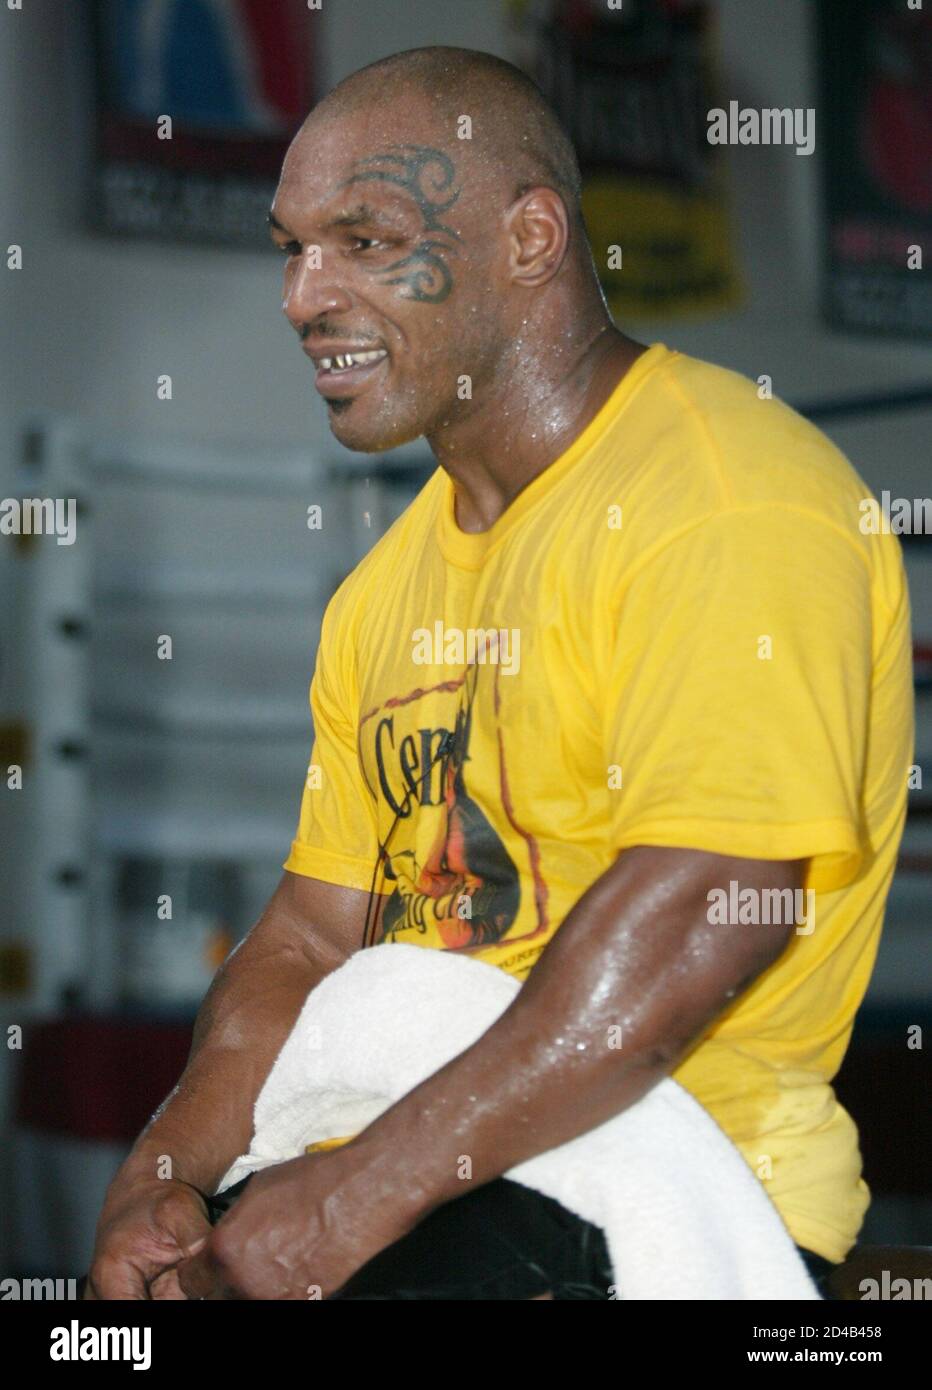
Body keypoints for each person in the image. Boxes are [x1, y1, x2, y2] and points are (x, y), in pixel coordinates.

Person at [85, 46, 914, 1300]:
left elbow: (702, 911)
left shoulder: (728, 496)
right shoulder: (382, 591)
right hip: (399, 1170)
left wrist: (348, 1201)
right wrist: (167, 1173)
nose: (304, 293)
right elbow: (310, 936)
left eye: (362, 239)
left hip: (653, 1180)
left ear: (530, 240)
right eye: (290, 246)